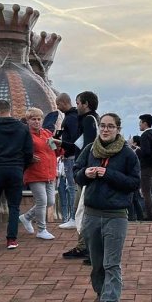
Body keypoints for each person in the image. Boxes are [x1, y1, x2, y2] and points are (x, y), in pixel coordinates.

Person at [75, 113, 141, 302]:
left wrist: (107, 173)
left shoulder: (128, 154)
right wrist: (87, 173)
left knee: (111, 263)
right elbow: (77, 173)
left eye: (110, 126)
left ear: (118, 129)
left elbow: (133, 183)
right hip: (92, 214)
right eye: (103, 126)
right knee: (96, 263)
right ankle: (100, 293)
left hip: (116, 215)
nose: (105, 130)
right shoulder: (90, 150)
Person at [0, 100, 34, 249]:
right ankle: (11, 239)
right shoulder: (23, 128)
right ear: (10, 110)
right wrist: (22, 168)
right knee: (14, 205)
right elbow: (29, 153)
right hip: (16, 168)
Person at [62, 91, 101, 259]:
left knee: (82, 209)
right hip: (87, 170)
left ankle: (86, 247)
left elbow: (88, 146)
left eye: (78, 103)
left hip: (86, 171)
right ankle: (85, 246)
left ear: (86, 104)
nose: (75, 106)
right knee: (84, 209)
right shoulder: (93, 119)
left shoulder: (87, 120)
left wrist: (84, 169)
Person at [19, 108, 61, 240]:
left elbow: (54, 152)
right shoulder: (25, 135)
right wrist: (29, 157)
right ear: (28, 121)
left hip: (49, 172)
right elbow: (19, 152)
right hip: (35, 172)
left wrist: (60, 147)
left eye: (39, 119)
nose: (37, 122)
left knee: (50, 201)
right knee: (42, 201)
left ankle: (26, 217)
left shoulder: (47, 133)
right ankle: (42, 229)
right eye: (33, 119)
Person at [52, 93, 81, 227]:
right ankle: (73, 217)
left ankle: (73, 218)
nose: (57, 107)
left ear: (64, 102)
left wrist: (61, 143)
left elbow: (75, 138)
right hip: (69, 155)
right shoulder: (72, 116)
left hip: (71, 157)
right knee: (72, 188)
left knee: (71, 188)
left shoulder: (70, 118)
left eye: (58, 104)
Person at [127, 136, 146, 222]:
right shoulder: (138, 150)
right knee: (134, 198)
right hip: (135, 176)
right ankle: (138, 216)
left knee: (133, 198)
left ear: (135, 142)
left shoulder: (136, 151)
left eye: (131, 140)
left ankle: (132, 217)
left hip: (132, 177)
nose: (130, 141)